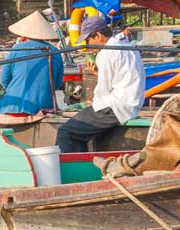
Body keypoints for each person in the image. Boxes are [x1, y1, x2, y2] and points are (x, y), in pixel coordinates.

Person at [56, 16, 145, 153]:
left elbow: (103, 90)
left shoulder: (106, 53)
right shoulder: (129, 47)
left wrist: (93, 105)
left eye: (88, 40)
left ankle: (69, 165)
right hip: (132, 104)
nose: (88, 44)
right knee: (79, 131)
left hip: (115, 107)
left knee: (65, 132)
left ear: (98, 36)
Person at [0, 11, 64, 116]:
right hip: (46, 108)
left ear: (24, 34)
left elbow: (5, 80)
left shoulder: (17, 49)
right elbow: (57, 84)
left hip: (13, 107)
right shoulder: (55, 52)